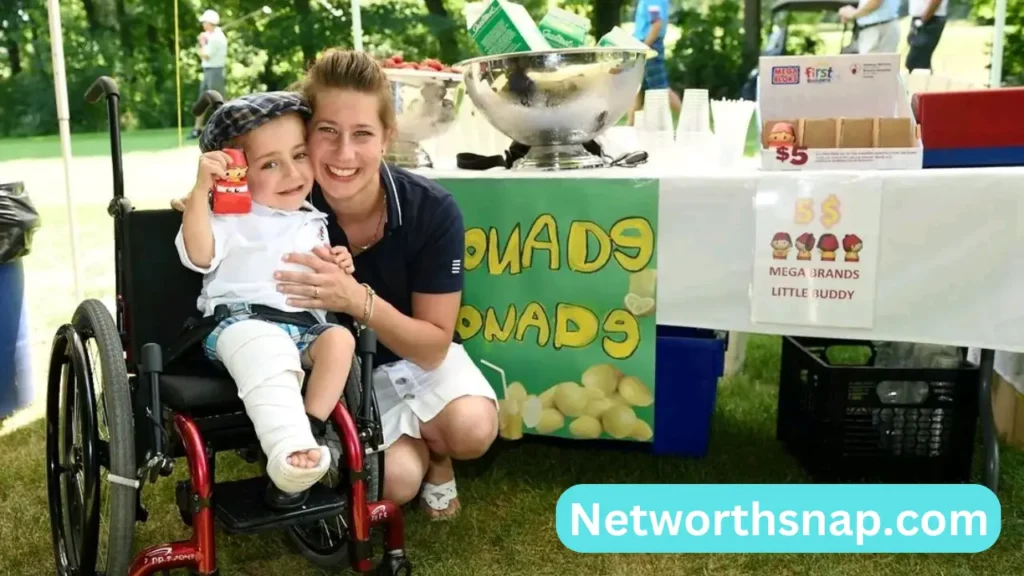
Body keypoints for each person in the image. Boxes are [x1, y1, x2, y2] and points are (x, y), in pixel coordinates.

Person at [278, 49, 498, 520]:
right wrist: (201, 201)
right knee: (393, 484)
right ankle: (417, 456)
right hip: (347, 376)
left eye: (362, 135)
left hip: (419, 356)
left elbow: (434, 347)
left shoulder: (432, 210)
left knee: (473, 429)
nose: (343, 154)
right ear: (305, 134)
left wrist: (356, 300)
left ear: (387, 139)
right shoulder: (283, 203)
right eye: (327, 132)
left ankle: (439, 455)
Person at [175, 91, 359, 510]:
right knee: (270, 347)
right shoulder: (227, 217)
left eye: (299, 155)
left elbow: (321, 278)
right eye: (270, 164)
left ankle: (308, 431)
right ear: (233, 172)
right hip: (240, 326)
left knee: (340, 341)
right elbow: (199, 254)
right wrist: (201, 192)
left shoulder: (311, 218)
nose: (292, 173)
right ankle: (289, 447)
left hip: (303, 328)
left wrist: (338, 263)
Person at [627, 0, 681, 127]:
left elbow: (656, 24)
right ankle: (630, 126)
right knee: (636, 87)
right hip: (642, 44)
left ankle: (689, 119)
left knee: (661, 88)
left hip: (648, 45)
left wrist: (644, 47)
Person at [190, 9, 229, 139]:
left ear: (210, 23)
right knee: (203, 101)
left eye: (204, 22)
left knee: (218, 102)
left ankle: (227, 128)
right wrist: (205, 39)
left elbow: (205, 55)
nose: (202, 24)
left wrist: (201, 43)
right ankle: (196, 130)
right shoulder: (212, 36)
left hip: (215, 71)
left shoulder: (217, 38)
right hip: (208, 71)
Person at [905, 0, 948, 71]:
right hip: (920, 18)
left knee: (916, 63)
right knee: (919, 63)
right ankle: (928, 81)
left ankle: (925, 81)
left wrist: (923, 20)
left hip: (931, 18)